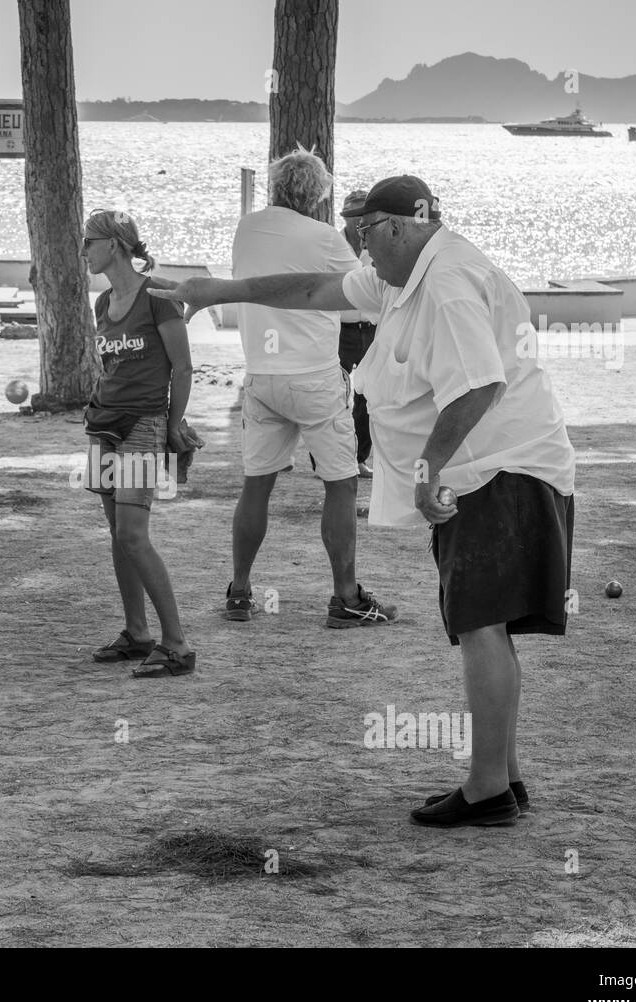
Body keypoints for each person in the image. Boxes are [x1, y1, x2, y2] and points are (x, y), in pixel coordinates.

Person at [152, 175, 576, 827]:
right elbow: (314, 290)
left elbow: (480, 386)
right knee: (484, 625)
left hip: (500, 468)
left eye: (365, 233)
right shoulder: (404, 273)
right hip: (494, 468)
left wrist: (428, 466)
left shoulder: (446, 281)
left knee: (481, 622)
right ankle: (506, 779)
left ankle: (488, 788)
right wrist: (222, 293)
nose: (358, 248)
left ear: (402, 225)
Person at [226, 148, 396, 629]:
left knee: (256, 486)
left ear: (276, 187)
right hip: (315, 376)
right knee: (340, 485)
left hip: (260, 375)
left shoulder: (247, 228)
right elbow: (360, 299)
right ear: (319, 194)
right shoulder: (324, 238)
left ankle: (239, 591)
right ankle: (345, 597)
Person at [81, 209, 196, 677]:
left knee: (132, 533)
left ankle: (177, 645)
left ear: (114, 244)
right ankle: (137, 632)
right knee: (117, 533)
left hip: (144, 426)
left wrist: (174, 426)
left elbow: (183, 368)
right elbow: (110, 369)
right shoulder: (104, 302)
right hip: (104, 424)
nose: (84, 250)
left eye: (89, 241)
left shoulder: (160, 296)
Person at [338, 188, 379, 478]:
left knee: (368, 397)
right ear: (345, 217)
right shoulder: (332, 244)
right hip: (338, 330)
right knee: (332, 395)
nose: (358, 221)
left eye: (362, 216)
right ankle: (326, 460)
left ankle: (360, 458)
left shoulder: (376, 246)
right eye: (353, 216)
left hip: (371, 329)